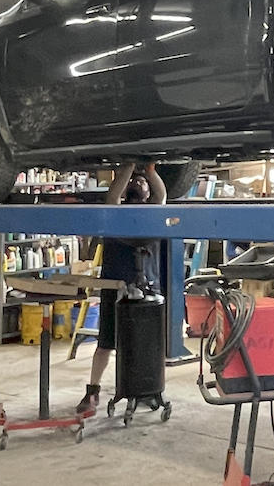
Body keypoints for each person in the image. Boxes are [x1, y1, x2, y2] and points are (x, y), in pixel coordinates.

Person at [76, 163, 166, 414]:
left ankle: (144, 389)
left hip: (146, 291)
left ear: (148, 193)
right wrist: (128, 168)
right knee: (106, 342)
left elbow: (162, 196)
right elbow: (113, 197)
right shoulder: (115, 214)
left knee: (146, 345)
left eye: (143, 182)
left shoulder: (152, 216)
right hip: (115, 289)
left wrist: (149, 170)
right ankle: (92, 391)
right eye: (133, 181)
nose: (138, 182)